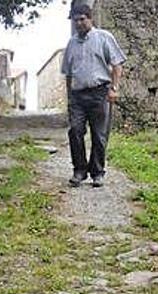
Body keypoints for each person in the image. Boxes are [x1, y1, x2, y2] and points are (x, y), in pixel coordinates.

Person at [60, 3, 126, 188]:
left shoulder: (104, 38)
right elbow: (68, 73)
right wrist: (69, 97)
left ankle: (97, 172)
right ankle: (79, 171)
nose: (79, 23)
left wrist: (114, 88)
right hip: (78, 96)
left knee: (99, 135)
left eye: (82, 19)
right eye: (76, 20)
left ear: (90, 19)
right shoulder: (71, 43)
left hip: (100, 93)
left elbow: (117, 65)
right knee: (75, 130)